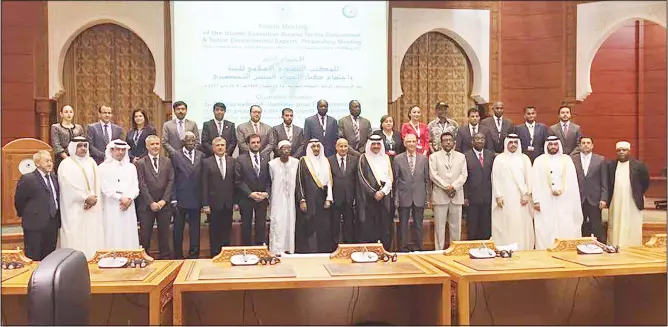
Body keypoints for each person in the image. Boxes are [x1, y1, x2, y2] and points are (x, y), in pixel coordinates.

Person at [57, 136, 105, 260]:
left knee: (92, 233)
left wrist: (93, 199)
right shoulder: (66, 164)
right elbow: (67, 185)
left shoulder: (92, 162)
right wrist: (84, 198)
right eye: (79, 146)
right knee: (76, 235)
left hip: (92, 207)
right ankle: (74, 262)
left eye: (85, 145)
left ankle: (93, 258)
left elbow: (97, 182)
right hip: (75, 208)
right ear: (73, 147)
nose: (83, 148)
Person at [532, 136, 583, 250]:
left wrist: (562, 190)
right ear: (546, 146)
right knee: (545, 226)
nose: (553, 147)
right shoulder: (539, 161)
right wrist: (536, 200)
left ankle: (564, 248)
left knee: (564, 224)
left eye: (555, 144)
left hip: (564, 200)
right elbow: (535, 181)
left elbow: (572, 180)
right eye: (550, 145)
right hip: (545, 200)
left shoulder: (567, 160)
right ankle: (544, 249)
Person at [14, 150, 60, 261]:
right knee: (34, 256)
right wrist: (28, 215)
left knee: (49, 257)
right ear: (37, 163)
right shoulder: (28, 179)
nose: (50, 163)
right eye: (46, 161)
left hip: (52, 223)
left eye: (50, 161)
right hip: (34, 225)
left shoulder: (54, 177)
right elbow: (19, 200)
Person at [491, 134, 534, 250]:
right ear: (506, 144)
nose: (513, 144)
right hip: (505, 199)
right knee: (506, 223)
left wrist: (527, 194)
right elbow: (495, 179)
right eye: (511, 142)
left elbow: (529, 178)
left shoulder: (524, 159)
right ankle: (505, 248)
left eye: (515, 142)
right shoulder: (499, 159)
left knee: (521, 223)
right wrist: (498, 196)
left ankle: (523, 248)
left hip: (522, 199)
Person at [136, 135, 174, 259]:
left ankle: (165, 262)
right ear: (147, 146)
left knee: (164, 235)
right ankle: (144, 259)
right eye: (152, 144)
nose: (155, 146)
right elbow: (141, 184)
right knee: (145, 235)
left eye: (157, 144)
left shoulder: (167, 161)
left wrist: (164, 200)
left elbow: (171, 181)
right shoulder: (140, 163)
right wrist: (151, 202)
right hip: (147, 206)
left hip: (164, 205)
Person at [606, 141, 650, 247]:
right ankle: (614, 245)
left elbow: (645, 182)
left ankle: (632, 246)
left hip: (632, 200)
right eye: (619, 150)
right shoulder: (611, 165)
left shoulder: (639, 165)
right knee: (616, 223)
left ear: (629, 151)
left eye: (624, 150)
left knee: (632, 223)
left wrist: (637, 193)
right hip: (616, 201)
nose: (621, 152)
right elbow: (608, 183)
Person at [98, 140, 140, 249]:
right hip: (111, 206)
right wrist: (120, 198)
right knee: (113, 232)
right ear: (111, 150)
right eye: (118, 149)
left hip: (128, 207)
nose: (120, 152)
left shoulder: (131, 167)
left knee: (128, 232)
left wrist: (129, 198)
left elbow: (135, 187)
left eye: (123, 150)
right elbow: (104, 188)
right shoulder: (103, 167)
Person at [429, 132, 467, 250]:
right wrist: (446, 187)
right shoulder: (433, 157)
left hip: (456, 195)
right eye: (445, 140)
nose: (448, 142)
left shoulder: (461, 157)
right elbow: (433, 175)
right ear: (441, 143)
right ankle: (438, 252)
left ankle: (454, 250)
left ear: (454, 142)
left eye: (450, 140)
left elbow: (463, 175)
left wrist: (453, 187)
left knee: (456, 227)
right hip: (440, 196)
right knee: (439, 228)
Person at [170, 132, 204, 259]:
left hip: (196, 198)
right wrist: (173, 198)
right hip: (180, 198)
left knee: (195, 229)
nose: (190, 142)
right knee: (178, 229)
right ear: (183, 141)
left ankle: (194, 255)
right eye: (188, 140)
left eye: (193, 140)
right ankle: (177, 256)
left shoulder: (201, 155)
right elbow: (172, 178)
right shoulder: (175, 155)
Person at [296, 139, 334, 253]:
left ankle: (323, 250)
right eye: (314, 147)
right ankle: (309, 250)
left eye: (318, 146)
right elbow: (299, 182)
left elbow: (329, 182)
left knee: (323, 225)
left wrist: (329, 198)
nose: (316, 149)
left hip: (322, 198)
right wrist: (302, 200)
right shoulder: (303, 161)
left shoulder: (326, 161)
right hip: (309, 198)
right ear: (309, 148)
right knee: (310, 224)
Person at [357, 135, 394, 250]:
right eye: (373, 144)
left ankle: (384, 250)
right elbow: (361, 178)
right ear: (369, 145)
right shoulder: (363, 158)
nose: (376, 146)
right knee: (369, 225)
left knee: (384, 224)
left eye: (378, 144)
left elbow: (390, 177)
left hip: (384, 196)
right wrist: (374, 193)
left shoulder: (386, 158)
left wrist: (383, 192)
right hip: (369, 198)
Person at [394, 134, 429, 251]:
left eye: (414, 141)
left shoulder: (423, 159)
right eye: (409, 142)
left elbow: (426, 179)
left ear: (416, 143)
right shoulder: (398, 159)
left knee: (418, 224)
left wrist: (427, 197)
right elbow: (396, 180)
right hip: (404, 196)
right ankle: (403, 248)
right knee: (404, 225)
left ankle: (418, 247)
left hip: (419, 196)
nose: (411, 144)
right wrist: (396, 198)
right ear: (404, 143)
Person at [202, 137, 236, 257]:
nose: (220, 147)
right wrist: (205, 204)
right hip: (213, 203)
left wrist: (235, 202)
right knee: (215, 231)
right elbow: (204, 184)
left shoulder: (232, 161)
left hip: (228, 202)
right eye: (218, 145)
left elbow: (235, 183)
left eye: (222, 145)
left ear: (226, 146)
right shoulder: (207, 162)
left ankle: (226, 254)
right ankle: (215, 255)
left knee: (227, 230)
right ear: (213, 147)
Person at [235, 134, 271, 245]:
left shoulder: (266, 158)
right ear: (248, 144)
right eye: (253, 142)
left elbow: (269, 179)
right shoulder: (240, 159)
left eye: (257, 142)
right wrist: (250, 194)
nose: (256, 145)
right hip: (246, 199)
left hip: (262, 199)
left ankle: (260, 249)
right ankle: (246, 250)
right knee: (246, 226)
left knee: (261, 226)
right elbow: (238, 181)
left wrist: (266, 193)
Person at [570, 137, 608, 241]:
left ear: (592, 145)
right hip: (578, 198)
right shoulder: (572, 159)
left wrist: (604, 198)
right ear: (579, 146)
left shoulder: (600, 159)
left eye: (588, 143)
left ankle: (600, 247)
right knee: (579, 225)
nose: (586, 145)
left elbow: (604, 180)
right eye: (583, 143)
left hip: (594, 199)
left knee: (596, 226)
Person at [268, 140, 299, 255]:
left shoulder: (296, 162)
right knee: (277, 222)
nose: (286, 151)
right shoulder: (272, 164)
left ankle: (290, 248)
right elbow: (271, 180)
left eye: (288, 148)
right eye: (283, 149)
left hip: (291, 198)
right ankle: (276, 249)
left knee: (290, 221)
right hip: (278, 198)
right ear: (279, 150)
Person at [463, 132, 495, 241]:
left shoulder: (490, 155)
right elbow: (464, 178)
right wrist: (465, 196)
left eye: (482, 139)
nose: (480, 141)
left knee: (486, 227)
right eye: (477, 139)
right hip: (472, 199)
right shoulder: (466, 156)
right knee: (472, 227)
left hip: (487, 197)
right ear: (472, 141)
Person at [328, 138, 359, 247]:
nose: (343, 148)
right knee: (334, 224)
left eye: (345, 146)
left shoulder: (355, 160)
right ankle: (334, 246)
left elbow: (356, 180)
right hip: (335, 198)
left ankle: (348, 246)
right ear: (336, 147)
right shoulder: (329, 160)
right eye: (341, 146)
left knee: (349, 224)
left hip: (350, 198)